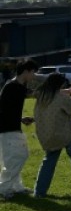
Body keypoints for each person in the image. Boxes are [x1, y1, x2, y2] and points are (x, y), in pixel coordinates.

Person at [0, 59, 38, 199]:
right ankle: (4, 188)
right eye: (33, 72)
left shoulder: (14, 86)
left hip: (10, 127)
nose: (34, 76)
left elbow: (7, 108)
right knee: (16, 157)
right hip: (7, 129)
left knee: (14, 157)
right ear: (26, 71)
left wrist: (20, 119)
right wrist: (64, 92)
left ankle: (16, 186)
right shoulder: (15, 86)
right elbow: (36, 94)